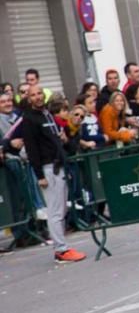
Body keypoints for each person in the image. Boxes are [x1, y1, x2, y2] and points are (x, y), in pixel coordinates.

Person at [21, 85, 86, 262]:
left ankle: (62, 246)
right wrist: (39, 175)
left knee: (62, 208)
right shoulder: (29, 120)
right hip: (47, 168)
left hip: (59, 165)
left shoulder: (47, 115)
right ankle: (61, 249)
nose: (37, 97)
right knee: (55, 210)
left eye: (39, 93)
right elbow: (32, 149)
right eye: (33, 95)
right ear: (28, 98)